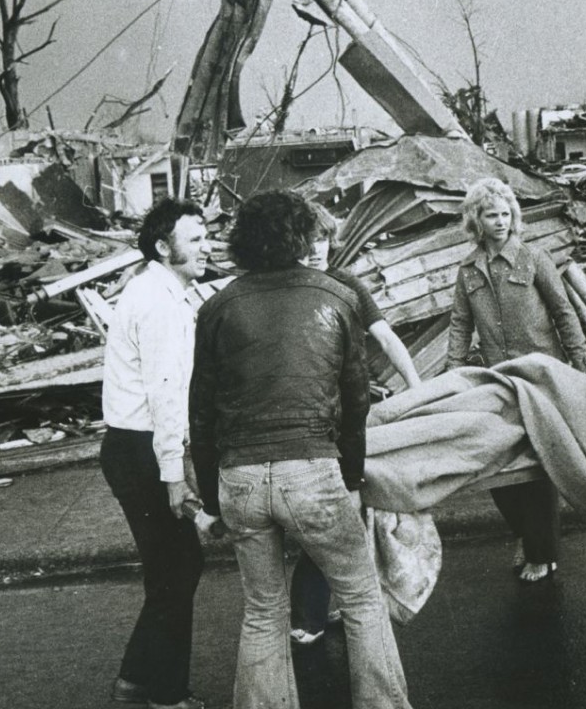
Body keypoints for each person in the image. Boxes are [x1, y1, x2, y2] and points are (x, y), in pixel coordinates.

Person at [189, 190, 413, 709]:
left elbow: (201, 414)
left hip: (240, 477)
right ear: (301, 237)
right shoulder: (336, 298)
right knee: (360, 597)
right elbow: (355, 404)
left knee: (263, 611)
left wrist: (210, 502)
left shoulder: (217, 307)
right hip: (312, 470)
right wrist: (353, 481)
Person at [444, 177, 586, 583]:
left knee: (537, 467)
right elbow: (460, 324)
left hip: (542, 377)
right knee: (498, 469)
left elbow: (563, 312)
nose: (501, 221)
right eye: (492, 214)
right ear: (476, 220)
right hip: (501, 380)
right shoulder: (468, 270)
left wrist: (579, 361)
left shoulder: (533, 258)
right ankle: (528, 534)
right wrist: (454, 372)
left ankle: (542, 552)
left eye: (506, 213)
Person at [289, 203, 422, 646]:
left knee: (354, 510)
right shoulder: (286, 290)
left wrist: (416, 384)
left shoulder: (347, 285)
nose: (314, 251)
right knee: (323, 516)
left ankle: (351, 603)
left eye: (322, 240)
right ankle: (307, 616)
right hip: (310, 419)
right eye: (305, 243)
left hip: (351, 416)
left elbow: (384, 335)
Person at [100, 197, 208, 709]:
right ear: (164, 247)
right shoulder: (160, 303)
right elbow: (166, 392)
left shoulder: (164, 291)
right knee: (179, 568)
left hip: (134, 447)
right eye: (195, 238)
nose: (205, 246)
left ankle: (136, 681)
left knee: (171, 570)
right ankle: (164, 695)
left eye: (206, 235)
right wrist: (174, 475)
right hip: (141, 448)